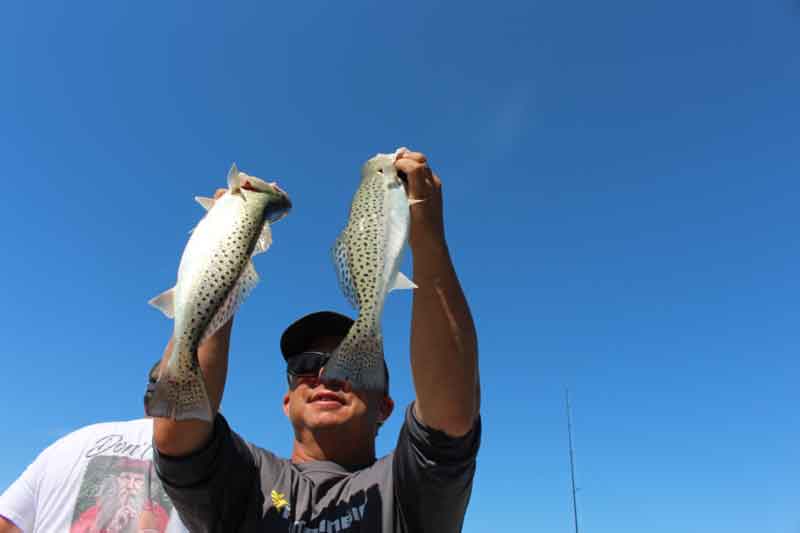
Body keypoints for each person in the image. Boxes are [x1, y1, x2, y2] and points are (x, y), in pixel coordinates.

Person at [152, 148, 481, 532]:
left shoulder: (408, 488)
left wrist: (426, 233)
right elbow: (177, 432)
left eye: (349, 364)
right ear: (286, 402)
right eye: (305, 365)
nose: (325, 374)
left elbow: (451, 415)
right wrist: (230, 245)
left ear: (385, 407)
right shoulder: (248, 480)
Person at [0, 363, 188, 533]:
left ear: (147, 403)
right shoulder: (197, 461)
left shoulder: (67, 446)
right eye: (126, 478)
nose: (130, 486)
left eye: (136, 480)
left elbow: (6, 525)